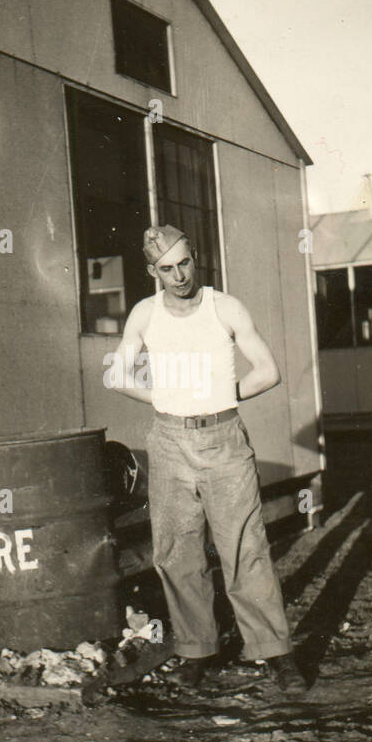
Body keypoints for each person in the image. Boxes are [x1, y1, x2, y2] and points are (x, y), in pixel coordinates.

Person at [111, 223, 303, 692]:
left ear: (195, 257)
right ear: (152, 272)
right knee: (177, 552)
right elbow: (118, 375)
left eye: (184, 264)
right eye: (165, 269)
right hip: (170, 441)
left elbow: (269, 372)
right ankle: (197, 650)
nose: (178, 276)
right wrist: (164, 398)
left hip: (224, 439)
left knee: (245, 548)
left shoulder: (225, 307)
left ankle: (274, 652)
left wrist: (220, 393)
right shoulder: (144, 314)